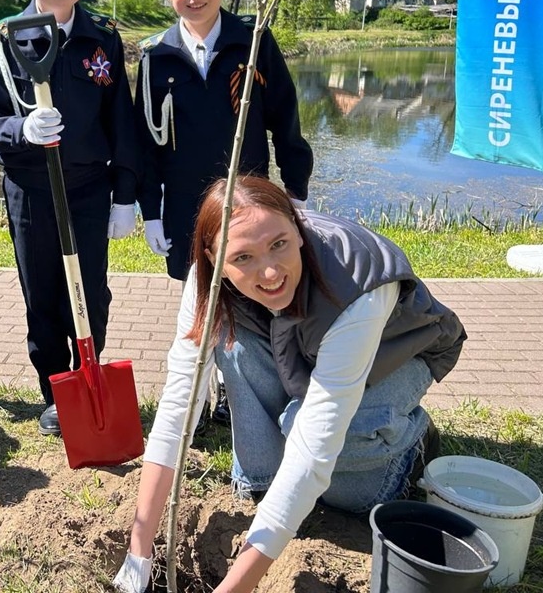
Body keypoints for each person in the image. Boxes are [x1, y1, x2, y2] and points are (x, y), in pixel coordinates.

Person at [113, 175, 465, 593]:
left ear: (297, 228)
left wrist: (234, 588)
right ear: (214, 257)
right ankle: (266, 478)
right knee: (236, 350)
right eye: (242, 257)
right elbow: (178, 407)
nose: (269, 272)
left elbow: (314, 448)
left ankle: (412, 443)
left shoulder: (360, 283)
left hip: (395, 353)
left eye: (279, 244)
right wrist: (139, 553)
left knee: (337, 477)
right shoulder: (206, 280)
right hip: (298, 344)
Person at [134, 0, 314, 425]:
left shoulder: (252, 42)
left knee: (254, 293)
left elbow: (286, 119)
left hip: (247, 202)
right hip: (185, 205)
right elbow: (145, 141)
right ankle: (204, 391)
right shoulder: (154, 56)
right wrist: (150, 210)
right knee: (198, 300)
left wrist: (295, 190)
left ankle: (252, 391)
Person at [0, 0, 140, 436]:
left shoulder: (102, 39)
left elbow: (121, 120)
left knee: (91, 292)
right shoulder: (6, 40)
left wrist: (125, 196)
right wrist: (21, 129)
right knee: (42, 293)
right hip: (31, 191)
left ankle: (90, 374)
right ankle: (55, 390)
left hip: (88, 188)